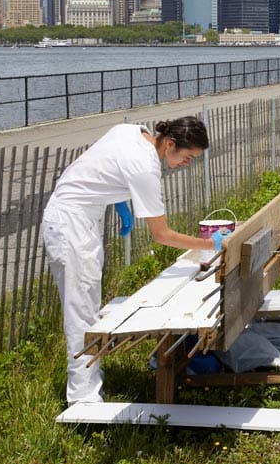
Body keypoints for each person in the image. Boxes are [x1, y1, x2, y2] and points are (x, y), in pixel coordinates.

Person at [42, 116, 218, 404]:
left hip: (80, 215)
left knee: (87, 303)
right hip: (70, 224)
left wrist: (120, 199)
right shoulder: (145, 167)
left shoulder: (134, 131)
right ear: (170, 144)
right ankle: (83, 398)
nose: (187, 164)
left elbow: (105, 162)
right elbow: (161, 235)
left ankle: (89, 381)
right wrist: (210, 243)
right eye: (187, 157)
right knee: (81, 310)